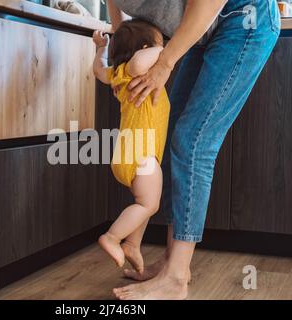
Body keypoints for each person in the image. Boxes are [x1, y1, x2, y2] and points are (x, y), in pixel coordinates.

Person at [105, 0, 281, 300]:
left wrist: (164, 63)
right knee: (174, 134)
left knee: (193, 141)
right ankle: (173, 265)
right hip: (200, 29)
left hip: (243, 17)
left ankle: (175, 279)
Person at [92, 19, 170, 275]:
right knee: (149, 205)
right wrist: (163, 51)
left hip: (128, 154)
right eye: (157, 46)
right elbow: (139, 62)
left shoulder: (117, 74)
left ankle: (132, 244)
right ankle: (113, 237)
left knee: (143, 202)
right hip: (142, 156)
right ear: (146, 49)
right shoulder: (136, 70)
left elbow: (98, 71)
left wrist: (100, 49)